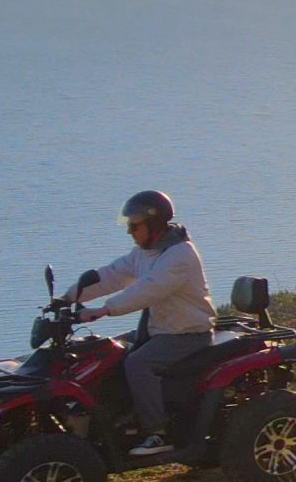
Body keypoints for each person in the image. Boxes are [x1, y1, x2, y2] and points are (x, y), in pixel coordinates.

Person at [70, 190, 218, 457]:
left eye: (134, 225)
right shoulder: (144, 252)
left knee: (137, 363)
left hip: (187, 334)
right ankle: (119, 420)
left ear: (155, 225)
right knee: (106, 351)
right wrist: (68, 297)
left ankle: (156, 433)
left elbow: (148, 290)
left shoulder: (179, 255)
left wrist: (104, 309)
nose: (129, 231)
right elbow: (111, 275)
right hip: (158, 330)